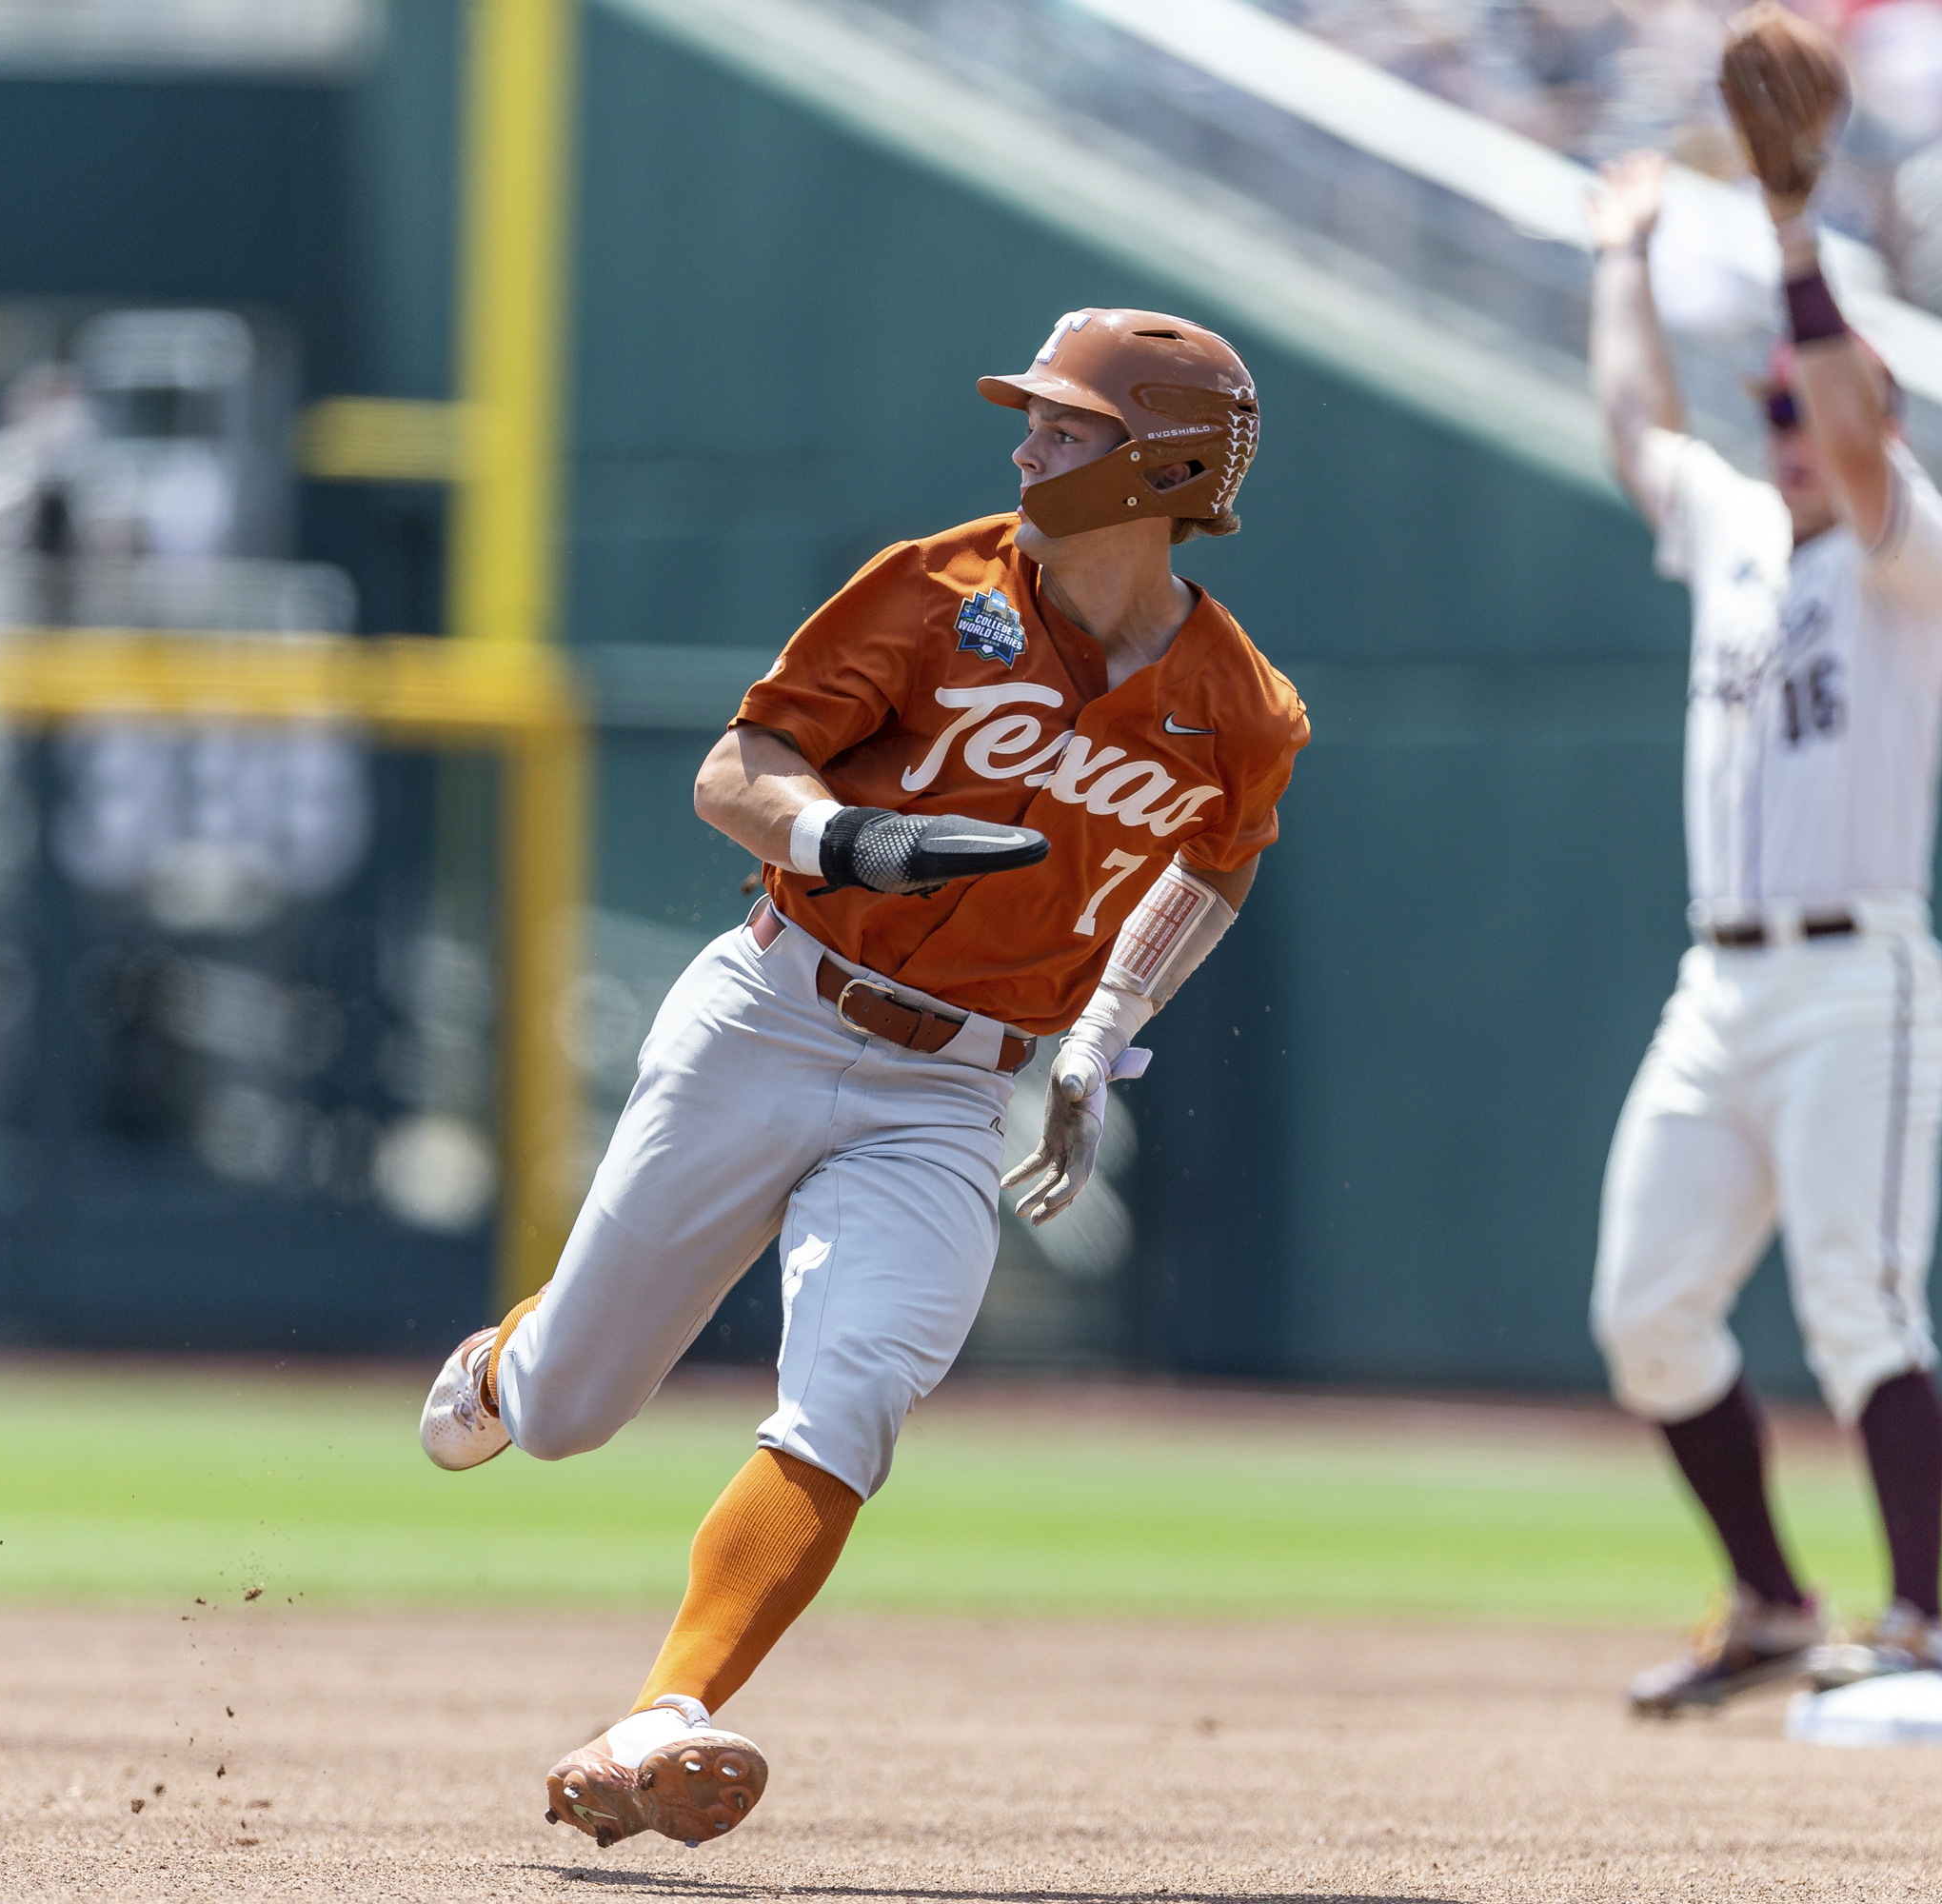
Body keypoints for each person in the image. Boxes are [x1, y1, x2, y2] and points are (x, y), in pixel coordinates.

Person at [413, 307, 1307, 1843]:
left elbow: (1214, 873)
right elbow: (732, 772)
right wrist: (845, 837)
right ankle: (519, 1353)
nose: (1027, 445)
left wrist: (1099, 1032)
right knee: (565, 1416)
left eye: (1067, 427)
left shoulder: (1241, 704)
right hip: (772, 1016)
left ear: (1160, 461)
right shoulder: (933, 588)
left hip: (951, 1093)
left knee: (857, 1390)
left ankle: (664, 1712)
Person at [1582, 104, 1942, 1712]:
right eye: (1773, 409)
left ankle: (1924, 1620)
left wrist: (1799, 239)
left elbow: (1854, 426)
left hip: (1857, 981)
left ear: (1873, 421)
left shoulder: (1917, 551)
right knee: (1645, 1318)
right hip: (1720, 985)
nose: (1785, 430)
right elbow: (1631, 422)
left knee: (1856, 1307)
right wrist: (1621, 259)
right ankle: (1764, 1601)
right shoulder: (1741, 532)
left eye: (1811, 408)